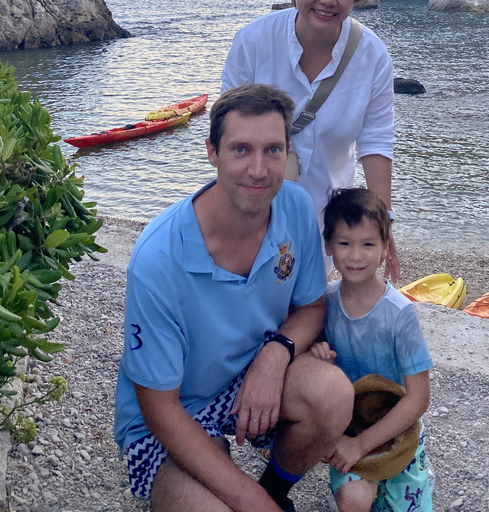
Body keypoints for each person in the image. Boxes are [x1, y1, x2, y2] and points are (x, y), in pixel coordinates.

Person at [114, 84, 355, 512]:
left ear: (288, 153)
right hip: (173, 414)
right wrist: (249, 502)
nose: (259, 170)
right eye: (241, 149)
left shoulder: (295, 206)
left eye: (273, 150)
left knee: (332, 395)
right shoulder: (157, 260)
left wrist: (275, 354)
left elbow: (311, 307)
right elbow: (159, 408)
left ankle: (276, 490)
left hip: (251, 378)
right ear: (212, 152)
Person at [222, 0, 399, 280]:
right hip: (254, 204)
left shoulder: (372, 56)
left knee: (308, 306)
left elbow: (376, 142)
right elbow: (229, 131)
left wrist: (382, 223)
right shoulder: (254, 41)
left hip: (324, 216)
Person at [309, 187, 433, 512]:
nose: (355, 256)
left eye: (368, 244)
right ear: (328, 245)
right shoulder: (323, 305)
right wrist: (315, 355)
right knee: (353, 501)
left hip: (394, 421)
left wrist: (361, 446)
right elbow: (307, 371)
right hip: (348, 423)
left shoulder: (400, 313)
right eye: (344, 243)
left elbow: (418, 397)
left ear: (384, 249)